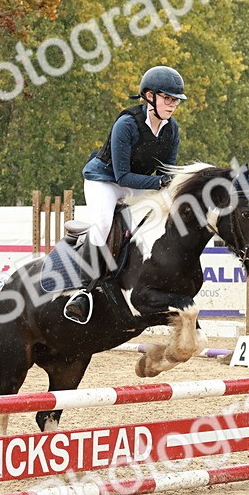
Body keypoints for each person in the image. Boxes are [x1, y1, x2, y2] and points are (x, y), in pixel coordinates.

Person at [64, 65, 186, 322]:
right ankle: (83, 291)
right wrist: (160, 183)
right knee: (104, 223)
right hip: (105, 181)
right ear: (149, 96)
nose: (172, 104)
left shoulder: (172, 130)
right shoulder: (127, 124)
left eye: (175, 100)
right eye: (167, 98)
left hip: (138, 184)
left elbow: (168, 172)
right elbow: (123, 177)